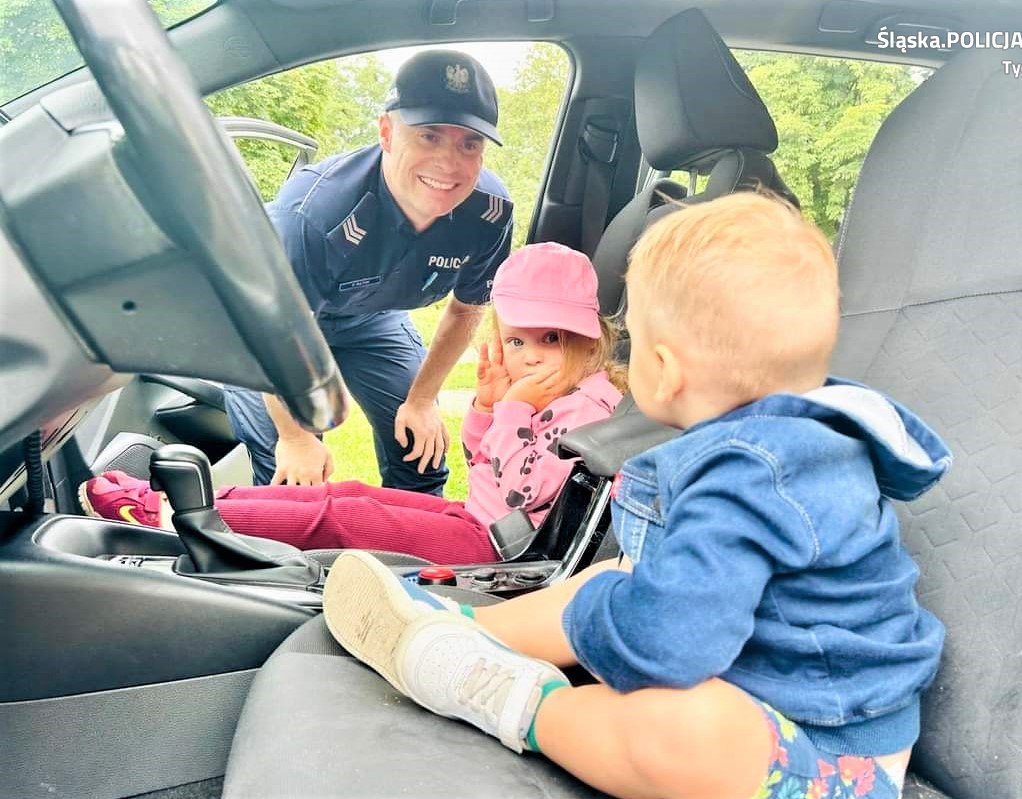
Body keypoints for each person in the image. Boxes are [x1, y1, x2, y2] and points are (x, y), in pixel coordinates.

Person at [319, 193, 953, 799]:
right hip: (767, 684)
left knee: (688, 729)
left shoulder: (749, 477)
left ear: (665, 369)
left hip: (827, 758)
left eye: (633, 342)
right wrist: (605, 605)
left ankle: (517, 700)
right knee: (616, 575)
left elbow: (670, 644)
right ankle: (465, 628)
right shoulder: (783, 446)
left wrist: (594, 627)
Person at [80, 244, 623, 565]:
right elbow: (482, 463)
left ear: (590, 338)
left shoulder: (587, 409)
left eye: (552, 338)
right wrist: (487, 406)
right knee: (351, 492)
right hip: (481, 519)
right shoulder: (549, 393)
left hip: (500, 547)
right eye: (517, 340)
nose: (531, 356)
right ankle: (189, 499)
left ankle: (168, 517)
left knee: (345, 517)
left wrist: (514, 411)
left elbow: (520, 491)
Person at [225, 49, 515, 495]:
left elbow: (466, 310)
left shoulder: (488, 214)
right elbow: (274, 334)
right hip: (274, 325)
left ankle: (410, 541)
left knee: (421, 454)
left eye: (469, 144)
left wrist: (421, 400)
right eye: (429, 136)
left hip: (373, 319)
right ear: (386, 133)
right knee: (292, 481)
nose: (449, 163)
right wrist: (296, 438)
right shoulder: (313, 214)